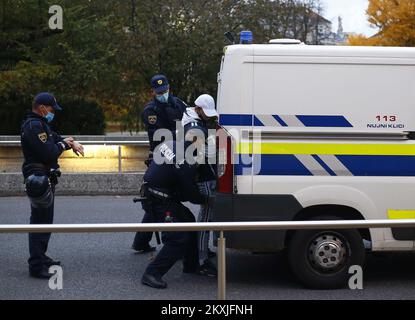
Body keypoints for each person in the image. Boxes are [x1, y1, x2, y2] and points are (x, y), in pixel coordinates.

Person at [21, 92, 84, 279]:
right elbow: (49, 153)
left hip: (45, 177)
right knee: (39, 222)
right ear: (42, 108)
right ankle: (36, 265)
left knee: (45, 221)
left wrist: (71, 142)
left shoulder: (41, 124)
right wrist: (64, 146)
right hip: (38, 178)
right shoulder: (34, 126)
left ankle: (41, 256)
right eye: (51, 109)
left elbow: (58, 138)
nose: (52, 112)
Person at [140, 138, 209, 289]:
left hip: (153, 193)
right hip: (160, 201)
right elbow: (190, 195)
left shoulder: (171, 143)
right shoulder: (185, 163)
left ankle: (191, 266)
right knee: (177, 238)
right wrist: (206, 199)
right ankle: (152, 273)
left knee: (189, 221)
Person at [132, 74, 188, 254]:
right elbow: (160, 135)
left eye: (165, 90)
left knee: (157, 201)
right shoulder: (150, 110)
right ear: (153, 92)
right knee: (162, 200)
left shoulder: (179, 104)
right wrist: (180, 133)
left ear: (169, 87)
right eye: (159, 92)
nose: (163, 93)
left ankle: (141, 241)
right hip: (160, 157)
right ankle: (171, 242)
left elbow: (187, 124)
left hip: (177, 155)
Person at [182, 94, 219, 276]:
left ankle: (201, 251)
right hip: (203, 177)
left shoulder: (190, 119)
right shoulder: (195, 127)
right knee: (206, 218)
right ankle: (201, 258)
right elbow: (193, 154)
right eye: (206, 112)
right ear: (198, 109)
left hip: (203, 174)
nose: (208, 116)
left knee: (205, 216)